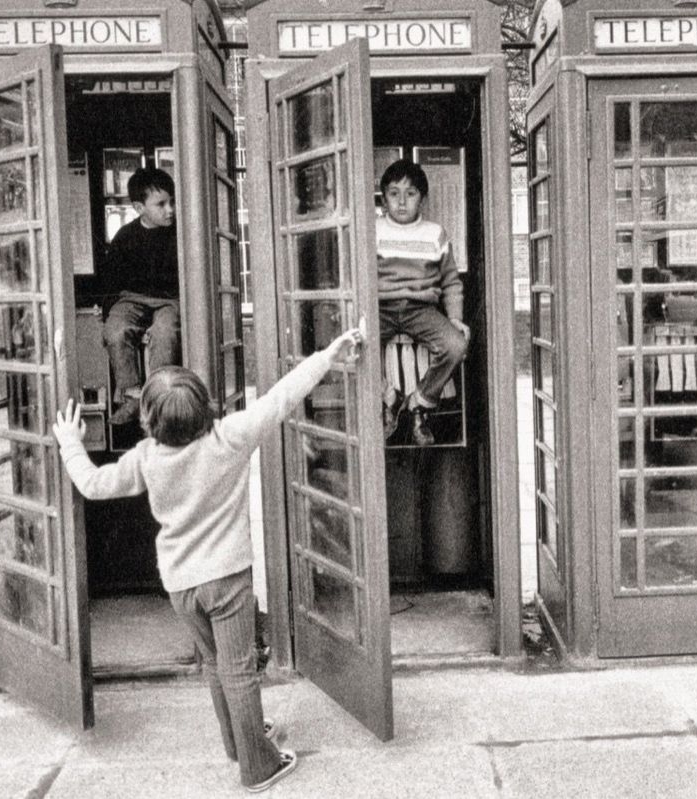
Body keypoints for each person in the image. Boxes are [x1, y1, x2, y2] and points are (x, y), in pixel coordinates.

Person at [52, 327, 363, 793]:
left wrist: (70, 443)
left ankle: (239, 742)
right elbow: (282, 396)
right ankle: (259, 767)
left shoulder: (145, 458)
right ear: (204, 407)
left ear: (148, 420)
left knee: (216, 665)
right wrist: (329, 354)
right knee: (238, 668)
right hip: (228, 580)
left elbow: (93, 484)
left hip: (180, 584)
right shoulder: (229, 438)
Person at [376, 159, 470, 446]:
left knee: (456, 345)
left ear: (423, 199)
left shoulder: (435, 234)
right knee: (350, 348)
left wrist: (455, 318)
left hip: (421, 309)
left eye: (411, 193)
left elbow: (451, 281)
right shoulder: (372, 231)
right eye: (394, 193)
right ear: (384, 198)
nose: (402, 202)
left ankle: (421, 401)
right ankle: (388, 396)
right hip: (382, 307)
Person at [99, 167, 180, 425]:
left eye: (173, 202)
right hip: (131, 297)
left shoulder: (181, 233)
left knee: (164, 334)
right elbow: (111, 278)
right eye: (162, 204)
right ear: (139, 207)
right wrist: (109, 308)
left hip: (170, 299)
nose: (171, 210)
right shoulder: (125, 237)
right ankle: (132, 396)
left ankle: (158, 402)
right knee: (115, 330)